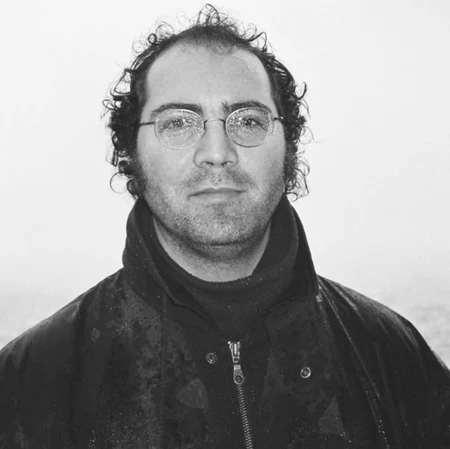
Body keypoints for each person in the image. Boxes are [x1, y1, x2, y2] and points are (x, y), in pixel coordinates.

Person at [1, 5, 449, 449]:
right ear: (130, 153)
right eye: (178, 122)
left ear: (288, 146)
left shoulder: (393, 357)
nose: (217, 152)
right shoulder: (28, 383)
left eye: (248, 120)